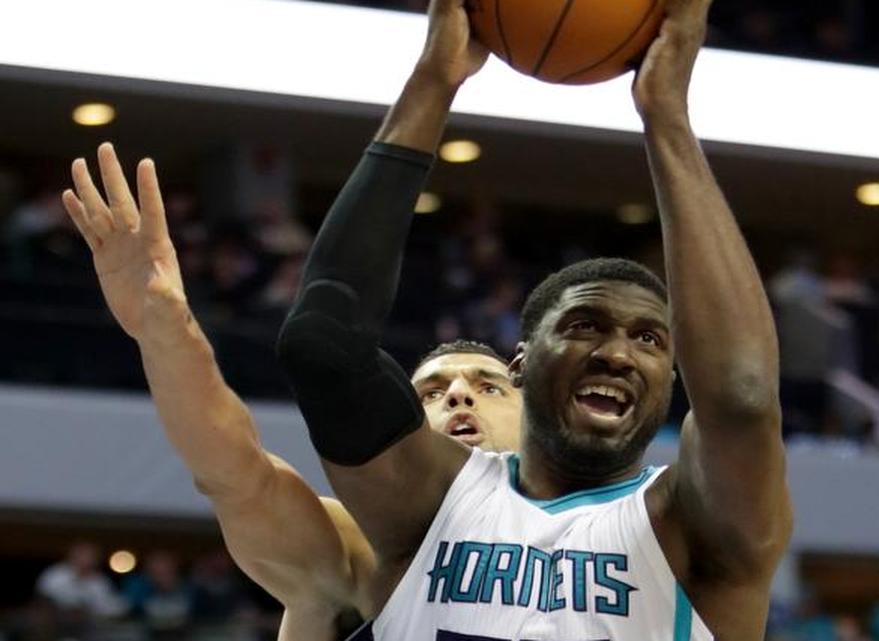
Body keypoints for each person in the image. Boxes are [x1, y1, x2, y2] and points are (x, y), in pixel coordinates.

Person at [277, 0, 792, 637]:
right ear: (519, 366)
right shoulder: (433, 500)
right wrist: (435, 79)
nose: (617, 353)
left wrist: (668, 118)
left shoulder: (690, 525)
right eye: (584, 327)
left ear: (673, 379)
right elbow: (324, 344)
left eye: (651, 340)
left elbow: (741, 397)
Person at [58, 143, 523, 641]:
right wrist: (167, 333)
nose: (457, 395)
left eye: (489, 387)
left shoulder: (605, 521)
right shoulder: (360, 548)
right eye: (429, 394)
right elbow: (236, 474)